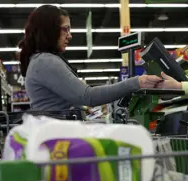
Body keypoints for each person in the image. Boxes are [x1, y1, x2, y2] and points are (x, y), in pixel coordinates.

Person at [19, 5, 161, 111]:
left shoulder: (39, 60)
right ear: (49, 31)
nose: (70, 35)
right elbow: (88, 96)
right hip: (55, 140)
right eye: (65, 29)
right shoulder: (45, 61)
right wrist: (136, 82)